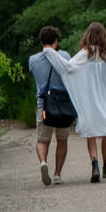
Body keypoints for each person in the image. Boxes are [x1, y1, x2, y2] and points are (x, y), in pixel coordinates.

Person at [44, 22, 106, 183]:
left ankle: (95, 164)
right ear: (104, 35)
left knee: (91, 133)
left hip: (91, 100)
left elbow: (68, 68)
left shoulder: (85, 53)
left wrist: (49, 52)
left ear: (88, 35)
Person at [28, 25, 74, 187]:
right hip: (62, 106)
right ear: (56, 41)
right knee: (62, 139)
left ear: (41, 41)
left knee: (42, 140)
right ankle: (57, 175)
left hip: (44, 106)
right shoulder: (64, 55)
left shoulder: (33, 60)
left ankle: (43, 162)